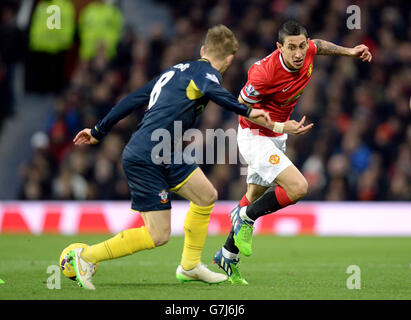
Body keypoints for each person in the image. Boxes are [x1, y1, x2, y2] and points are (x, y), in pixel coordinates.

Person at [67, 24, 271, 290]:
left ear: (202, 49)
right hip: (146, 155)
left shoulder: (174, 71)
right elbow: (212, 90)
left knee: (206, 195)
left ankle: (189, 266)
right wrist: (246, 110)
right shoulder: (207, 74)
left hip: (166, 151)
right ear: (229, 60)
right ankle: (85, 257)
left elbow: (133, 98)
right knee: (158, 235)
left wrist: (98, 130)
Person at [213, 20, 372, 285]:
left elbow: (318, 45)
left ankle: (227, 254)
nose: (299, 53)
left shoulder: (308, 49)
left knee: (253, 196)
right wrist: (278, 124)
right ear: (279, 47)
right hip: (255, 136)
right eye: (291, 48)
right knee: (298, 187)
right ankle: (244, 217)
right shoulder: (263, 73)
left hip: (277, 135)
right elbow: (238, 105)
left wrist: (349, 51)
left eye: (301, 46)